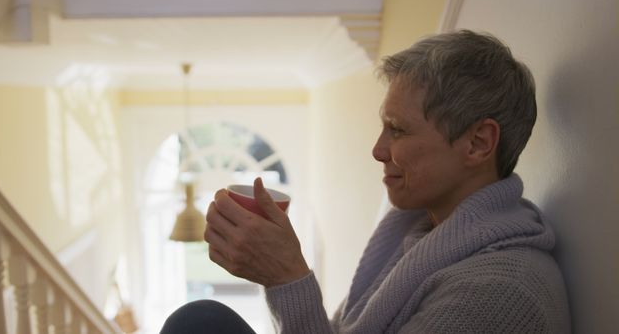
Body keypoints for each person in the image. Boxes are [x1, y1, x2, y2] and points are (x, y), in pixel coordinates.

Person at [161, 30, 571, 333]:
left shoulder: (499, 291)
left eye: (398, 130)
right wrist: (280, 274)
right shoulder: (422, 235)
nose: (378, 149)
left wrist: (287, 278)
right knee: (200, 319)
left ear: (478, 143)